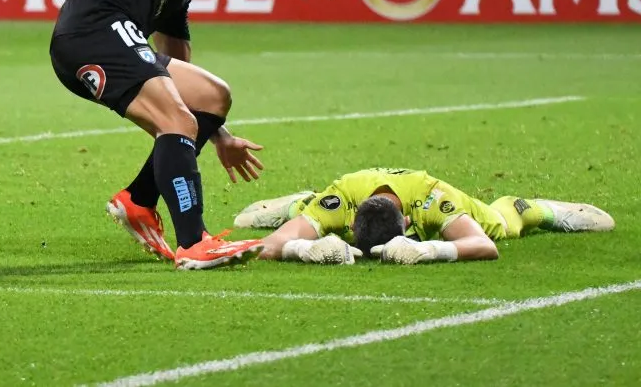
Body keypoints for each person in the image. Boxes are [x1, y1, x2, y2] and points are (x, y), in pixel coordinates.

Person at [49, 0, 333, 270]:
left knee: (213, 96)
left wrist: (219, 134)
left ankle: (138, 200)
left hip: (109, 34)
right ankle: (193, 242)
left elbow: (177, 70)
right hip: (93, 31)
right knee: (177, 121)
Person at [235, 167, 614, 265]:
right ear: (350, 224)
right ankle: (302, 205)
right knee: (315, 208)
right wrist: (302, 249)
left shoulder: (433, 201)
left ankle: (534, 208)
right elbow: (266, 246)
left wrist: (432, 250)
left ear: (408, 227)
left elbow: (483, 245)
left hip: (472, 209)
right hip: (340, 195)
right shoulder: (344, 197)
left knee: (505, 225)